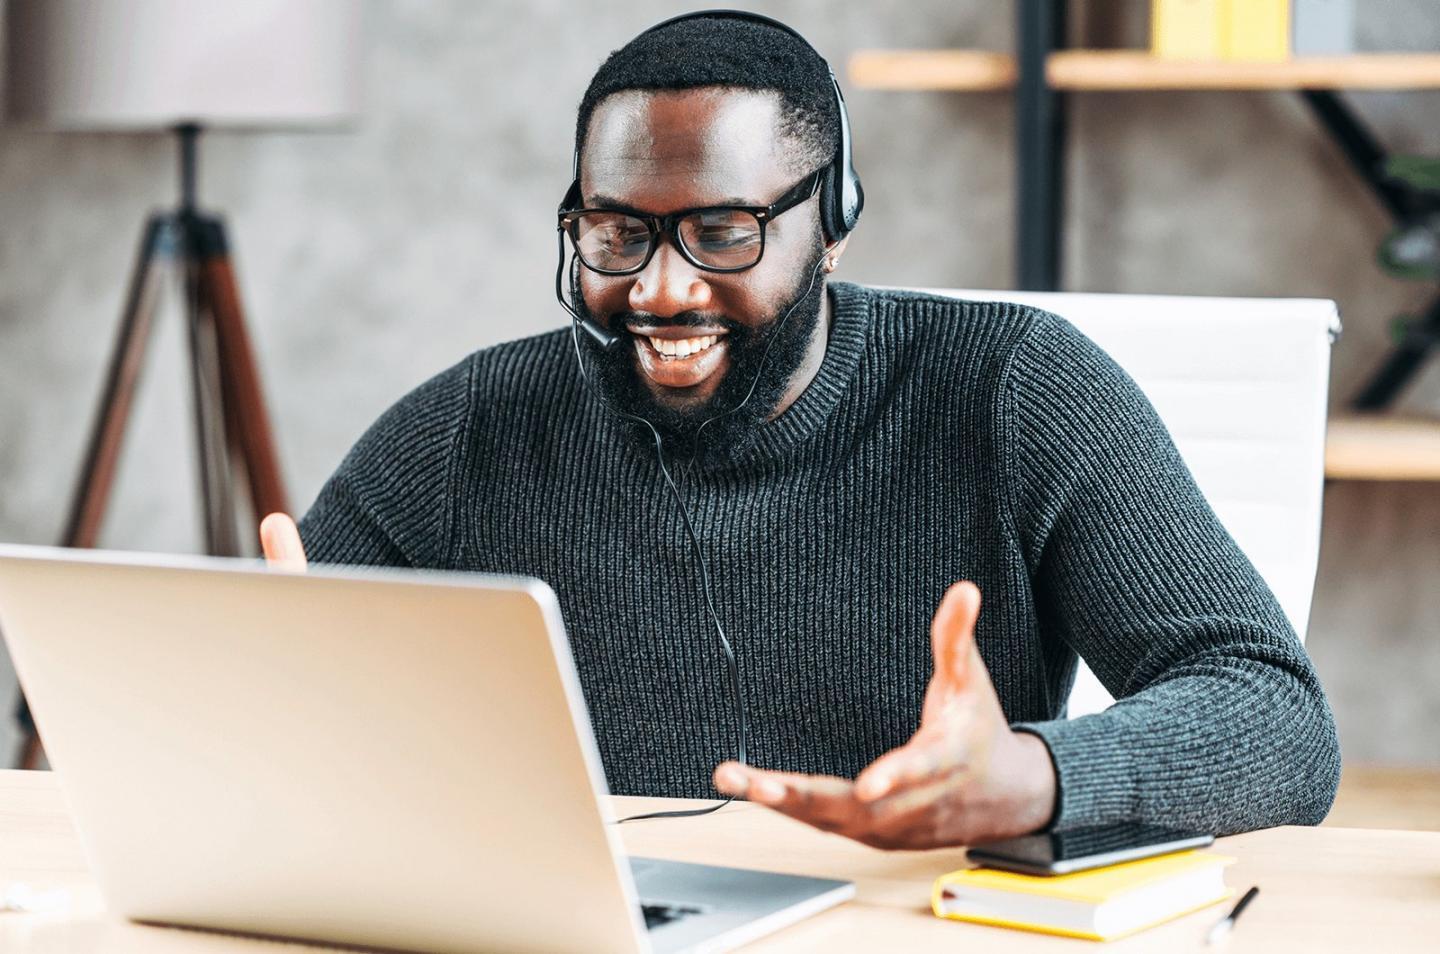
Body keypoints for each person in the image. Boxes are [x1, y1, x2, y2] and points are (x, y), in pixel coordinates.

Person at [261, 11, 1340, 850]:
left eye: (722, 233)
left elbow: (1278, 717)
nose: (660, 288)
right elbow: (268, 704)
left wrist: (1036, 775)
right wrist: (256, 671)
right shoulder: (471, 427)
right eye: (616, 232)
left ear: (830, 226)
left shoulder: (1018, 390)